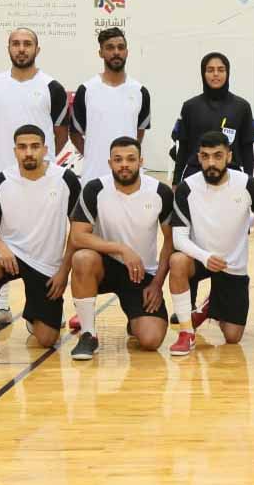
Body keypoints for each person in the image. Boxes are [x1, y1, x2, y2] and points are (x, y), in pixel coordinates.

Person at [0, 125, 82, 362]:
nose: (29, 152)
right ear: (15, 150)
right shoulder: (0, 181)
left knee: (46, 340)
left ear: (45, 149)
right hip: (10, 256)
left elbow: (77, 232)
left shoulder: (65, 180)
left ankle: (34, 316)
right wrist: (1, 247)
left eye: (35, 146)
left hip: (47, 266)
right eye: (23, 147)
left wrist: (63, 271)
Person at [0, 27, 69, 327]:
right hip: (3, 178)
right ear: (8, 48)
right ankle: (0, 304)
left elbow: (59, 131)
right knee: (2, 239)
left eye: (27, 44)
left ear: (37, 49)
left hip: (42, 181)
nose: (21, 49)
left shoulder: (52, 87)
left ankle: (37, 307)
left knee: (40, 241)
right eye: (16, 44)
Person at [67, 137, 174, 360]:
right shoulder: (95, 188)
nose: (124, 164)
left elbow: (170, 242)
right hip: (103, 266)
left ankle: (135, 320)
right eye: (118, 160)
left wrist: (157, 284)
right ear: (110, 163)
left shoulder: (159, 192)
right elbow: (77, 235)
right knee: (83, 258)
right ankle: (88, 333)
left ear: (140, 162)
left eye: (130, 159)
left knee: (151, 340)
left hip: (141, 273)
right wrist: (121, 249)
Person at [166, 131, 254, 356]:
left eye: (218, 156)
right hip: (199, 259)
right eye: (205, 156)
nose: (211, 162)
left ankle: (212, 303)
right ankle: (186, 332)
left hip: (232, 264)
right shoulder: (186, 188)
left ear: (229, 156)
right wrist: (205, 257)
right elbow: (179, 239)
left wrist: (244, 223)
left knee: (232, 337)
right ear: (198, 158)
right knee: (177, 260)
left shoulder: (248, 185)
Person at [71, 27, 152, 184]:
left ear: (127, 52)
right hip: (93, 175)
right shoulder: (87, 89)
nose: (116, 52)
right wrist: (93, 154)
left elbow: (139, 132)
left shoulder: (140, 91)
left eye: (120, 48)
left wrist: (126, 158)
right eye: (110, 48)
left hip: (129, 177)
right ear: (100, 53)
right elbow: (75, 134)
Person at [171, 51, 254, 182]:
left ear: (227, 73)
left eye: (221, 70)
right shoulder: (190, 106)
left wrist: (250, 182)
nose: (215, 74)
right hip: (196, 175)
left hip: (231, 175)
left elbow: (247, 150)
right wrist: (176, 181)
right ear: (203, 74)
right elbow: (182, 149)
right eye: (210, 70)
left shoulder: (242, 107)